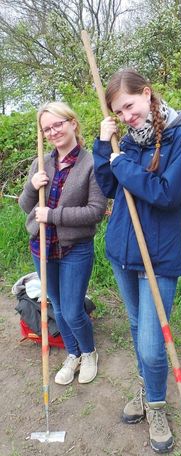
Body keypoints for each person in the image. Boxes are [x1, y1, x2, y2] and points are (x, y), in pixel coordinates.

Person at [93, 69, 181, 453]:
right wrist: (104, 147)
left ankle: (156, 406)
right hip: (123, 251)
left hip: (158, 257)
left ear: (147, 94)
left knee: (153, 345)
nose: (126, 116)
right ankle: (148, 389)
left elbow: (167, 193)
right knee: (138, 329)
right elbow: (107, 187)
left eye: (129, 106)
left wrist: (121, 164)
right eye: (118, 112)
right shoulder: (127, 141)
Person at [19, 101, 107, 386]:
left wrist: (52, 215)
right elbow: (24, 206)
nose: (53, 131)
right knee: (56, 305)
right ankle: (73, 354)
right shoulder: (40, 163)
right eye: (47, 128)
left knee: (71, 309)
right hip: (42, 247)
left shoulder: (92, 163)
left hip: (74, 249)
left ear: (72, 123)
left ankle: (89, 352)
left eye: (58, 124)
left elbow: (96, 211)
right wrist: (33, 186)